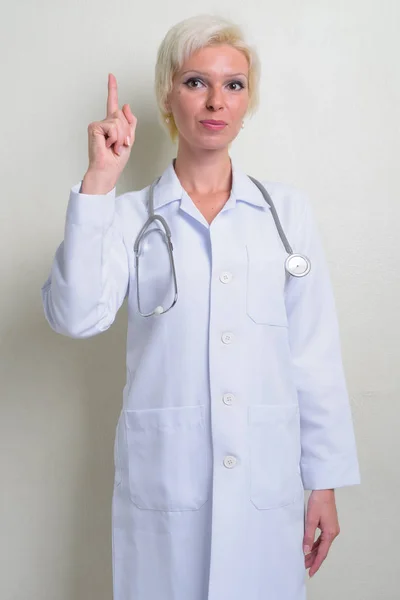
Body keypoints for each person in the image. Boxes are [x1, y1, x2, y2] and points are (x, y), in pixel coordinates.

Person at [41, 13, 361, 600]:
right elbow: (75, 315)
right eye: (195, 82)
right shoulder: (127, 216)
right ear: (168, 91)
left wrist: (325, 482)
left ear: (248, 100)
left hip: (268, 487)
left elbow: (313, 356)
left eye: (234, 85)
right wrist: (99, 182)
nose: (216, 101)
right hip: (165, 485)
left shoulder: (287, 215)